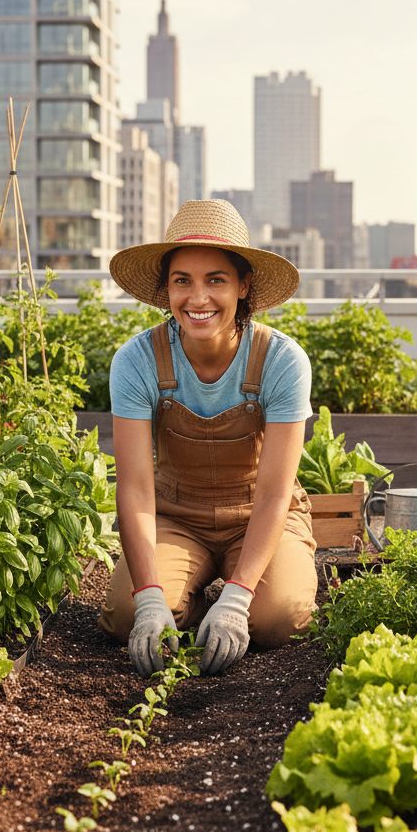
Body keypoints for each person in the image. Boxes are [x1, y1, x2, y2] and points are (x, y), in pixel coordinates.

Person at [99, 199, 318, 677]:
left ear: (243, 287)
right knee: (124, 615)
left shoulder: (280, 361)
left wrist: (238, 599)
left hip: (257, 515)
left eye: (215, 279)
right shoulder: (137, 360)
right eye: (183, 281)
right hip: (178, 515)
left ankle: (230, 597)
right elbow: (135, 489)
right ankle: (188, 603)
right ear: (166, 290)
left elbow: (276, 492)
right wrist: (152, 598)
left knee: (277, 620)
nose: (198, 298)